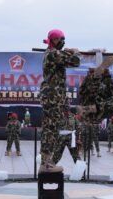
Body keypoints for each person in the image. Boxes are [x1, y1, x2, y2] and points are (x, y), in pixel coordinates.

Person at [39, 29, 80, 173]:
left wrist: (67, 52)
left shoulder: (54, 53)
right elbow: (76, 62)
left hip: (55, 96)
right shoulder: (52, 53)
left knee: (51, 129)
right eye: (59, 39)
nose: (62, 42)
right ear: (53, 40)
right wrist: (74, 52)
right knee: (50, 130)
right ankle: (45, 163)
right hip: (52, 96)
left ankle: (47, 161)